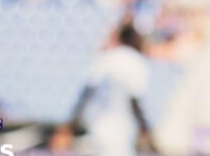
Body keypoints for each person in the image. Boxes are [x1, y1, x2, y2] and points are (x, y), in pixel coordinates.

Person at [55, 23, 158, 156]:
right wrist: (145, 129)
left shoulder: (105, 58)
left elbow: (87, 93)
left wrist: (70, 125)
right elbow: (135, 101)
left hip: (97, 123)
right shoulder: (136, 62)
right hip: (122, 127)